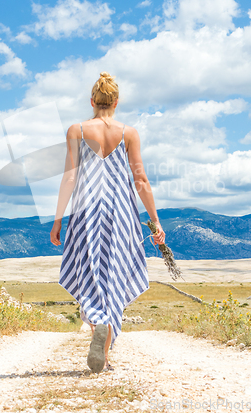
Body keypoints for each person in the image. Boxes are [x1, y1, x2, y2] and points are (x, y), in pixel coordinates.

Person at [50, 71, 165, 373]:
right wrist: (154, 222)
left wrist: (58, 218)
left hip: (86, 211)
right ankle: (105, 346)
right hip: (120, 213)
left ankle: (98, 323)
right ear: (116, 101)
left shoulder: (76, 129)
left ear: (92, 101)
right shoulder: (129, 133)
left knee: (89, 272)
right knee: (114, 271)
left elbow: (70, 176)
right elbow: (140, 179)